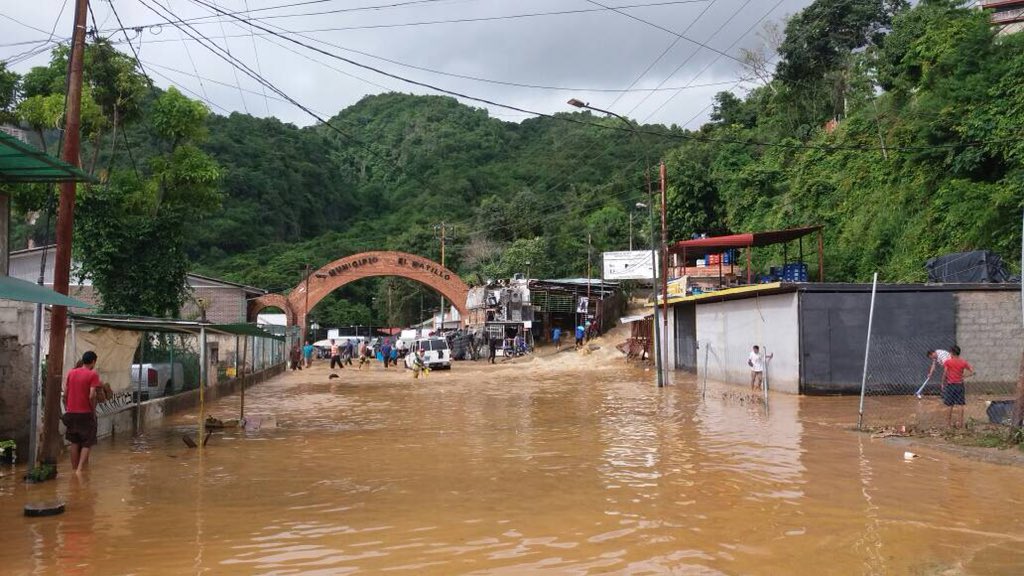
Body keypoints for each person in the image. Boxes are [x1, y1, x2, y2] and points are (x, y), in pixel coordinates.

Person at [62, 351, 104, 474]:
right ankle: (80, 469)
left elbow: (65, 394)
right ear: (93, 362)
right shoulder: (93, 374)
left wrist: (68, 408)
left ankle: (74, 469)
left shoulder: (71, 373)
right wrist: (91, 410)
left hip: (71, 412)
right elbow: (91, 395)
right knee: (87, 441)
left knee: (74, 442)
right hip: (85, 413)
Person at [942, 345, 974, 428]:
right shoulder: (963, 362)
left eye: (950, 352)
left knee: (949, 405)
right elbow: (972, 371)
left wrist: (942, 383)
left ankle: (948, 425)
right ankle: (960, 424)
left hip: (950, 385)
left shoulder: (948, 362)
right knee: (960, 404)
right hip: (960, 385)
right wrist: (964, 377)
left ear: (952, 353)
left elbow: (945, 373)